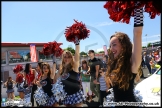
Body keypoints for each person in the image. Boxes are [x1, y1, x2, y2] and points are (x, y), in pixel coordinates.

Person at [105, 5, 144, 106]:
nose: (111, 48)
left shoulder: (132, 63)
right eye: (110, 45)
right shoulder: (113, 63)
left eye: (114, 45)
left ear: (123, 46)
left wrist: (138, 8)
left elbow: (137, 34)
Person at [56, 37, 85, 107]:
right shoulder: (61, 70)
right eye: (65, 57)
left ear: (71, 58)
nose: (67, 58)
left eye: (68, 57)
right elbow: (55, 79)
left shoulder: (74, 67)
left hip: (75, 94)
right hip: (66, 95)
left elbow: (77, 56)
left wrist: (77, 44)